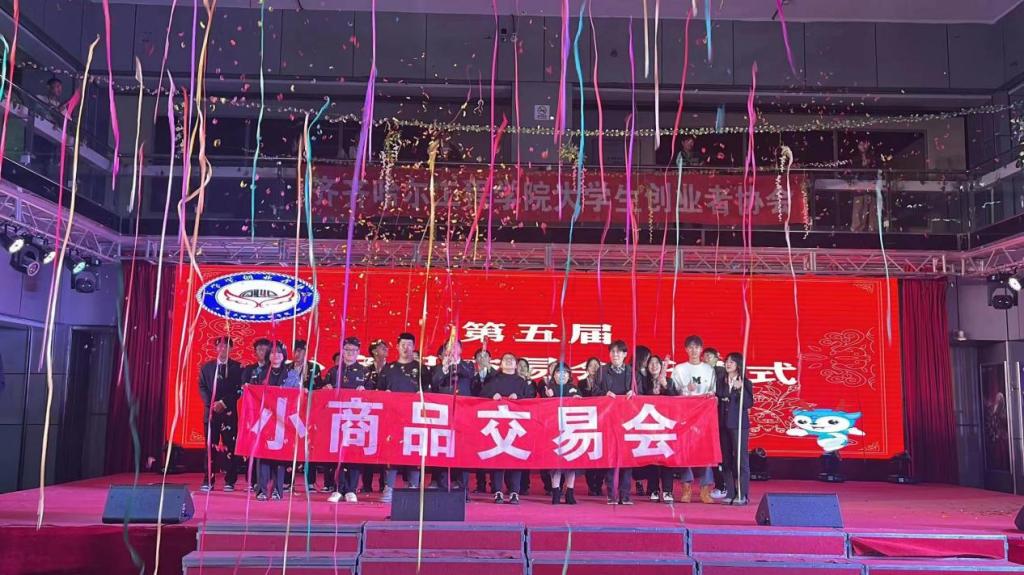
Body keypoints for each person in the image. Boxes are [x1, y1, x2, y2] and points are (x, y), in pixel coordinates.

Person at [377, 332, 425, 503]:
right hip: (393, 417)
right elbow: (379, 390)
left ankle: (413, 487)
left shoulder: (421, 369)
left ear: (414, 347)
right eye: (403, 344)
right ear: (397, 347)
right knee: (392, 452)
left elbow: (430, 391)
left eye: (409, 345)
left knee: (414, 451)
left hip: (414, 418)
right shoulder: (389, 368)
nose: (406, 348)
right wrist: (385, 394)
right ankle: (389, 487)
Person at [670, 335, 717, 504]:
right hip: (685, 415)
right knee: (685, 451)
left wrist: (710, 396)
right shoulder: (679, 369)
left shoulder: (709, 369)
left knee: (706, 451)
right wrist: (685, 388)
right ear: (686, 350)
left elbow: (713, 390)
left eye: (697, 347)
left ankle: (705, 489)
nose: (694, 350)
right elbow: (672, 392)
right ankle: (686, 487)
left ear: (701, 350)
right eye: (690, 347)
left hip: (704, 416)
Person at [482, 353, 533, 505]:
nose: (509, 361)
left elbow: (531, 398)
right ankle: (497, 490)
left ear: (516, 365)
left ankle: (514, 491)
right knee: (498, 457)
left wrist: (519, 397)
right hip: (497, 425)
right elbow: (482, 394)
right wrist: (492, 395)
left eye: (512, 359)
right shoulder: (494, 380)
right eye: (506, 359)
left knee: (515, 457)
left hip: (516, 425)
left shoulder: (521, 382)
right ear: (501, 364)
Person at [326, 337, 372, 504]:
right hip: (337, 420)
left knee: (354, 454)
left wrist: (365, 390)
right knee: (337, 454)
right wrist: (327, 388)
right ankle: (338, 488)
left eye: (353, 350)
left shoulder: (365, 372)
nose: (350, 353)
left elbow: (373, 395)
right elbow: (323, 392)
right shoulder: (333, 371)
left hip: (357, 420)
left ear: (358, 352)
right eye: (347, 350)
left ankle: (351, 489)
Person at [429, 338, 474, 500]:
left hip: (464, 412)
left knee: (462, 449)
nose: (452, 349)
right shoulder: (438, 367)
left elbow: (469, 375)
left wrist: (455, 363)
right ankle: (442, 485)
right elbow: (435, 382)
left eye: (455, 347)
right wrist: (445, 367)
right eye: (449, 347)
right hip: (444, 413)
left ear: (461, 350)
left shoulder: (467, 365)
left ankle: (462, 488)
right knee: (443, 447)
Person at [254, 341, 299, 500]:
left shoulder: (292, 374)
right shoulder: (259, 373)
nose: (276, 355)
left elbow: (296, 396)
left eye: (279, 352)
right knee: (263, 455)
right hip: (265, 419)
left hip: (282, 420)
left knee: (280, 455)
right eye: (273, 352)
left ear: (284, 355)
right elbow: (253, 394)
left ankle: (277, 490)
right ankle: (261, 490)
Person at [592, 340, 636, 505]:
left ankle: (625, 495)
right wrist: (604, 394)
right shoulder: (602, 371)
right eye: (612, 352)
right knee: (611, 456)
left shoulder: (631, 372)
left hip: (628, 420)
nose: (615, 355)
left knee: (627, 458)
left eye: (618, 352)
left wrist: (634, 393)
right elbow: (594, 391)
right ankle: (611, 494)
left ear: (625, 354)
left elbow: (641, 392)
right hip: (608, 419)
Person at [198, 336, 244, 493]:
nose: (223, 349)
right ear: (216, 348)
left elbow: (239, 390)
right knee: (209, 447)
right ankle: (208, 480)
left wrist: (223, 403)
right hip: (211, 413)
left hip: (228, 413)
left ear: (231, 349)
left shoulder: (237, 368)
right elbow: (202, 387)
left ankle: (230, 481)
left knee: (231, 446)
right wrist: (212, 403)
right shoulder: (206, 367)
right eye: (220, 346)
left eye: (226, 346)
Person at [720, 352, 755, 505]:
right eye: (727, 361)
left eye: (732, 362)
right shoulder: (721, 381)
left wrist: (740, 390)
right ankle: (730, 492)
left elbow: (748, 404)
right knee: (725, 459)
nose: (728, 364)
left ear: (738, 365)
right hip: (723, 425)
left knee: (741, 460)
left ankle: (742, 494)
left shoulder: (745, 382)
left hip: (739, 426)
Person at [545, 361, 580, 505]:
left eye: (565, 372)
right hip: (554, 430)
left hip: (570, 429)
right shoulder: (549, 389)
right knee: (556, 463)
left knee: (571, 463)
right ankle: (556, 491)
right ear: (554, 375)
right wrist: (548, 397)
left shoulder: (574, 388)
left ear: (569, 375)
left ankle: (570, 491)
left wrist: (578, 400)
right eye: (559, 372)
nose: (562, 375)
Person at [643, 354, 676, 503]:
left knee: (666, 458)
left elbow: (675, 399)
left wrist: (666, 386)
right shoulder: (643, 381)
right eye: (651, 363)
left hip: (665, 425)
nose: (654, 365)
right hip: (649, 424)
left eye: (657, 363)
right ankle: (653, 489)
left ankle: (668, 490)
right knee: (652, 458)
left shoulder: (669, 381)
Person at [240, 338, 271, 489]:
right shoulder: (249, 370)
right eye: (259, 349)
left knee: (267, 447)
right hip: (252, 413)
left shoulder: (273, 369)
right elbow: (243, 389)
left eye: (265, 349)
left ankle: (266, 481)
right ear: (255, 352)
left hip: (270, 414)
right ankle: (252, 481)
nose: (262, 352)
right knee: (252, 445)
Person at [361, 339, 389, 494]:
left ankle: (385, 484)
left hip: (387, 414)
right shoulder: (366, 370)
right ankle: (366, 484)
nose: (385, 350)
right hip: (370, 414)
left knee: (385, 450)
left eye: (386, 348)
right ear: (373, 352)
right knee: (369, 448)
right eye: (381, 348)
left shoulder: (391, 369)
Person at [704, 347, 729, 500]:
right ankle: (718, 485)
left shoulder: (720, 372)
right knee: (712, 455)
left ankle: (723, 486)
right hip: (707, 420)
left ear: (716, 358)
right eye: (705, 356)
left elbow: (721, 393)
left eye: (709, 356)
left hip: (719, 420)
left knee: (720, 454)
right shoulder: (703, 372)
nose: (706, 359)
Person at [470, 348, 497, 493]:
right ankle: (480, 484)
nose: (482, 359)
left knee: (493, 449)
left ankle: (494, 485)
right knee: (479, 449)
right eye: (479, 357)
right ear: (475, 360)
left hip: (492, 416)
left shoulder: (496, 374)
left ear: (490, 359)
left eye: (485, 356)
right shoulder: (470, 374)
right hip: (476, 416)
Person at [579, 356, 604, 496]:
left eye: (596, 365)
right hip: (588, 421)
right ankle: (591, 485)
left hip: (602, 420)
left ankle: (598, 484)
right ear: (587, 368)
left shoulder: (604, 382)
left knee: (601, 453)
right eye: (591, 365)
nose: (594, 368)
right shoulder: (582, 383)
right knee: (590, 453)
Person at [850, 138, 878, 233]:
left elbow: (877, 168)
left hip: (871, 184)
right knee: (858, 207)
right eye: (861, 144)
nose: (863, 146)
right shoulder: (855, 157)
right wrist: (862, 164)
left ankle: (872, 228)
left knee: (871, 206)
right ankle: (857, 228)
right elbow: (853, 169)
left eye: (865, 143)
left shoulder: (872, 156)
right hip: (859, 184)